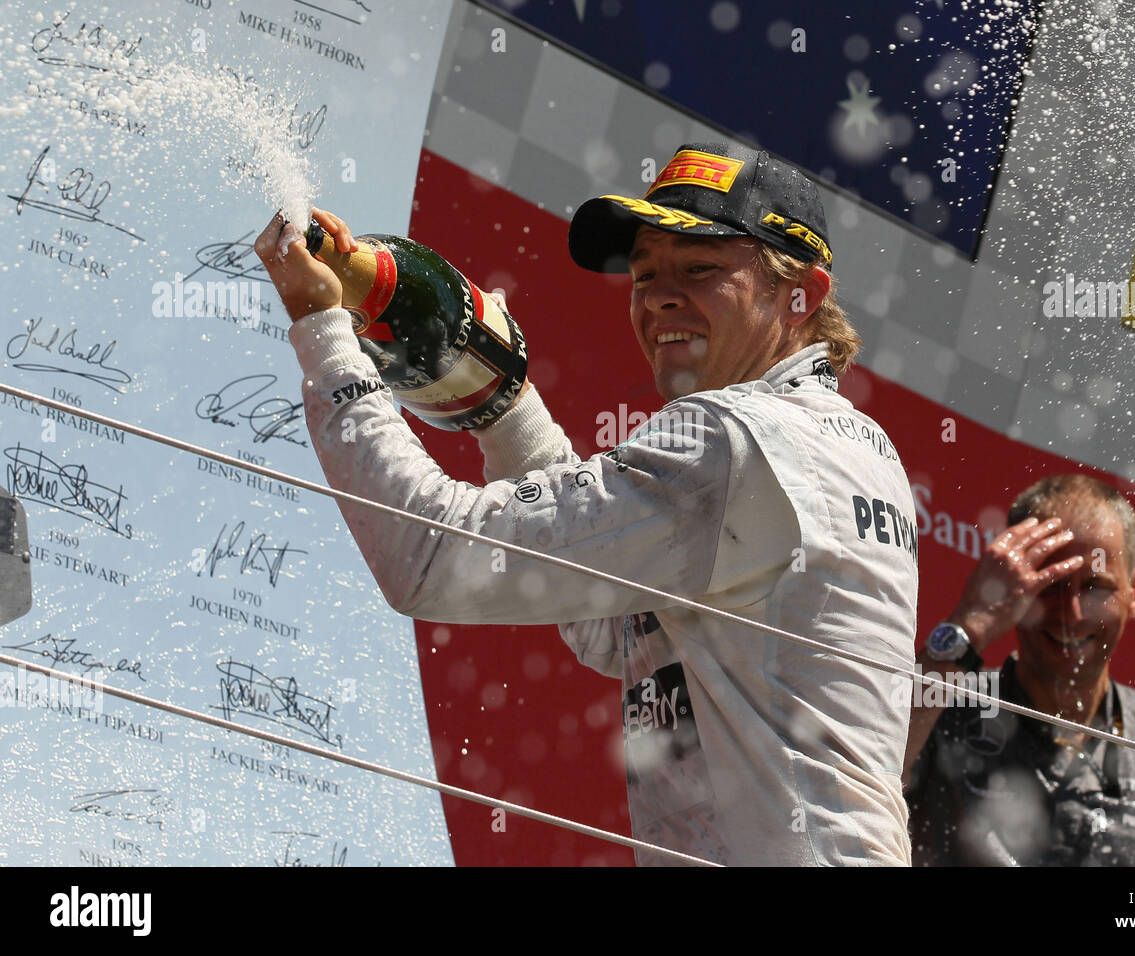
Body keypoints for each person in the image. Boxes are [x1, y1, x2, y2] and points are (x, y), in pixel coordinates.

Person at [254, 143, 920, 866]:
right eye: (645, 273)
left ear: (803, 294)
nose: (660, 295)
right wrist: (506, 411)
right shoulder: (858, 446)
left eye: (699, 268)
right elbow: (616, 630)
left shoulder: (733, 439)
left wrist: (324, 334)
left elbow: (428, 557)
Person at [904, 474, 1135, 865]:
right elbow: (869, 758)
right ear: (1011, 586)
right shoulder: (942, 711)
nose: (1072, 615)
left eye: (1096, 587)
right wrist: (972, 620)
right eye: (1050, 584)